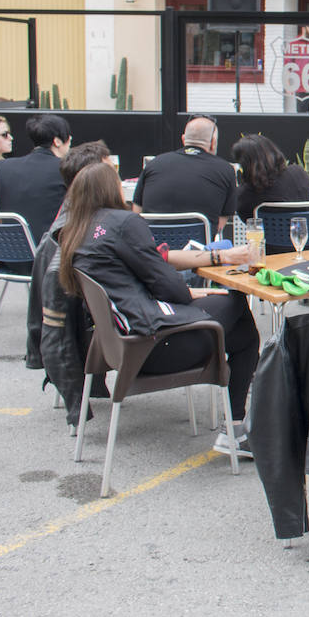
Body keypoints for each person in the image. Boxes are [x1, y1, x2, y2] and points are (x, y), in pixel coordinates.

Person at [28, 141, 251, 427]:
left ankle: (236, 423)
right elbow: (171, 289)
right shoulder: (123, 223)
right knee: (236, 305)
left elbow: (144, 270)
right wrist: (189, 290)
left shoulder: (73, 233)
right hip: (149, 348)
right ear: (111, 187)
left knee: (240, 328)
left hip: (112, 346)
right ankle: (235, 421)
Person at [0, 113, 72, 246]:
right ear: (57, 141)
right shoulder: (66, 169)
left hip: (10, 253)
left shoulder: (5, 167)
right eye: (68, 139)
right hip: (49, 259)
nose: (10, 138)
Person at [132, 114, 238, 240]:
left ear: (183, 139)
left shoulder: (153, 164)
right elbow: (219, 226)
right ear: (213, 142)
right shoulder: (226, 170)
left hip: (154, 252)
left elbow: (136, 214)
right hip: (198, 253)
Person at [232, 134, 309, 221]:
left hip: (270, 234)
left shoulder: (245, 194)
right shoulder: (298, 173)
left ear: (244, 164)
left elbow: (249, 222)